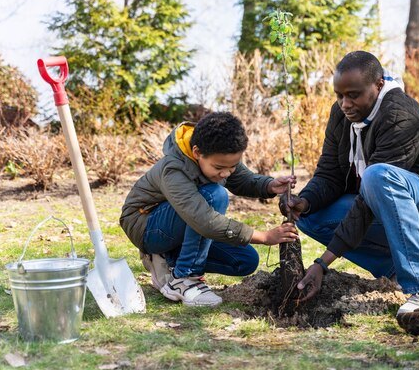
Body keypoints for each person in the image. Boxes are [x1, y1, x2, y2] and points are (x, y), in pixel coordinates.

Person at [280, 51, 419, 314]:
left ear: (379, 85)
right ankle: (395, 272)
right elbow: (329, 174)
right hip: (398, 209)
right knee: (310, 214)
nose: (345, 104)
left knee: (378, 176)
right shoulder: (342, 116)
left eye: (353, 95)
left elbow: (369, 199)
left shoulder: (400, 116)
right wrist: (303, 201)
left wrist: (323, 262)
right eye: (339, 95)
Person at [120, 112, 298, 307]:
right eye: (220, 167)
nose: (226, 173)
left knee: (245, 260)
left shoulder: (219, 154)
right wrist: (263, 237)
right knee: (215, 195)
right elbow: (203, 220)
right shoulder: (174, 168)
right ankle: (184, 278)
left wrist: (270, 185)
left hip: (181, 221)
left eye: (232, 166)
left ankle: (168, 260)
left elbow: (242, 179)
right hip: (146, 225)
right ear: (197, 153)